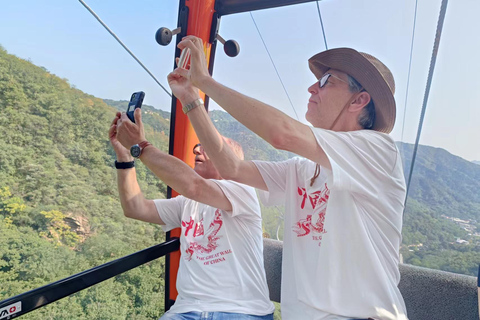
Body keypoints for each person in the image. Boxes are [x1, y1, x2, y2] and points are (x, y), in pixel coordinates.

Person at [167, 35, 408, 320]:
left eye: (326, 80)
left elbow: (282, 133)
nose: (311, 88)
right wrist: (191, 99)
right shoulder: (303, 169)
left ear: (359, 100)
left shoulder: (377, 150)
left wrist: (205, 81)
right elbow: (232, 168)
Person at [109, 108, 275, 320]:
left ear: (229, 158)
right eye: (197, 146)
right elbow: (135, 208)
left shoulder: (242, 190)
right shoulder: (187, 203)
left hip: (242, 311)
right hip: (185, 312)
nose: (196, 150)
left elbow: (194, 186)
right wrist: (125, 159)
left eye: (206, 147)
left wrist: (140, 146)